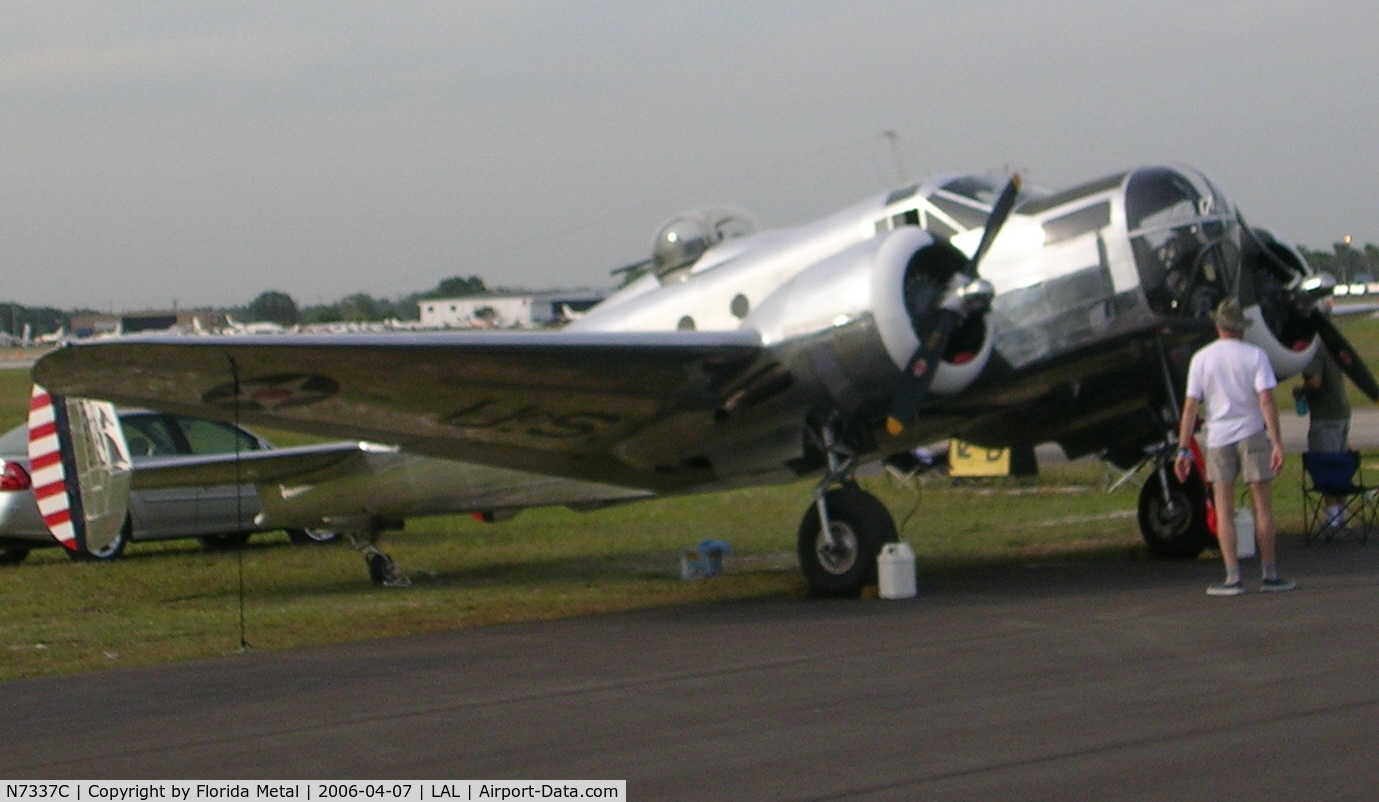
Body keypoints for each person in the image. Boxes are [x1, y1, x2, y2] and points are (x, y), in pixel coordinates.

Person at [1174, 297, 1296, 595]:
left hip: (1218, 437)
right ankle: (1269, 573)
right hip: (1252, 433)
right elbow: (1266, 400)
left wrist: (1182, 448)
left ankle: (1232, 576)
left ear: (1218, 325)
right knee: (1262, 508)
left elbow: (1191, 406)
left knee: (1224, 509)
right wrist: (1277, 442)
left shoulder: (1202, 359)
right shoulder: (1256, 356)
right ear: (1240, 328)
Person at [1293, 347, 1352, 530]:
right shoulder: (1331, 347)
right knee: (1341, 464)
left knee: (1326, 465)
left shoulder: (1314, 352)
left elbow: (1315, 381)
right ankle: (1342, 515)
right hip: (1342, 412)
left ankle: (1333, 519)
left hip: (1325, 417)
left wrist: (1300, 390)